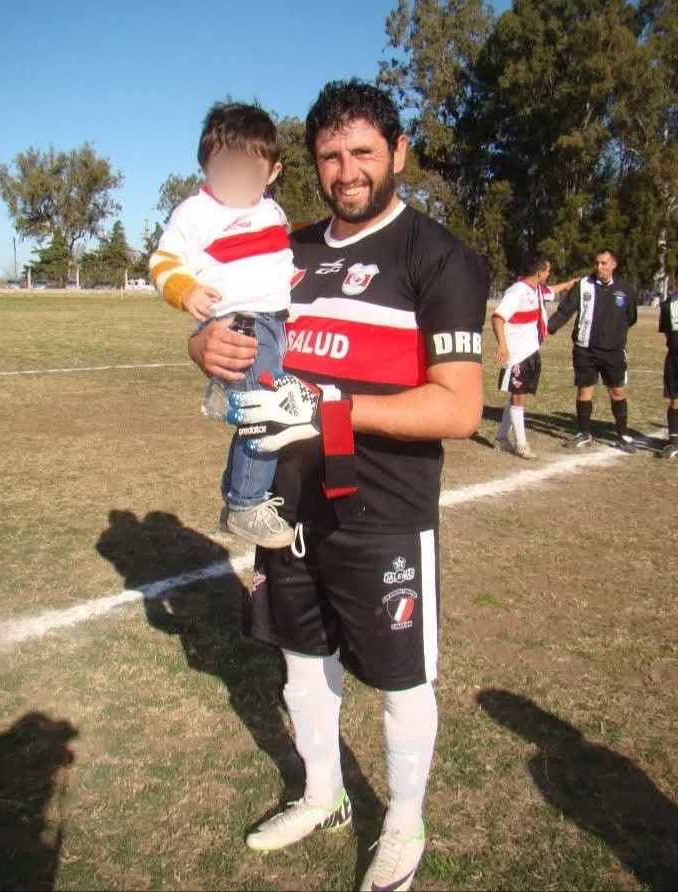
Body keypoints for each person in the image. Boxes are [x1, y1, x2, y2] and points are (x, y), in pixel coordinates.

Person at [188, 79, 489, 892]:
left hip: (382, 507)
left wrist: (331, 413)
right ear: (311, 164)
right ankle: (323, 795)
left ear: (399, 153)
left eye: (363, 152)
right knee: (301, 656)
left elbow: (460, 407)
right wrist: (203, 345)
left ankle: (403, 824)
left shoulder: (439, 257)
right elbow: (227, 326)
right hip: (286, 500)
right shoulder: (284, 248)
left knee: (399, 677)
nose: (347, 171)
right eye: (330, 155)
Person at [149, 102, 295, 549]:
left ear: (271, 172)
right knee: (264, 410)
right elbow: (163, 260)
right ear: (206, 167)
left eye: (246, 169)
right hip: (242, 323)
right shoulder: (195, 211)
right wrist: (184, 290)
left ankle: (236, 488)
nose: (233, 179)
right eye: (222, 168)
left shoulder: (273, 212)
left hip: (278, 325)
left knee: (264, 409)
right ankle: (246, 504)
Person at [547, 249, 638, 452]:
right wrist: (548, 327)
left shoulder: (626, 289)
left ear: (614, 265)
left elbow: (631, 317)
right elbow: (565, 310)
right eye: (597, 263)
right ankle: (584, 433)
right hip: (585, 350)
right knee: (584, 390)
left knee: (617, 391)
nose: (599, 267)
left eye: (604, 263)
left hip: (613, 352)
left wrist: (614, 334)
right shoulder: (583, 285)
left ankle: (622, 435)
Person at [492, 253, 576, 459]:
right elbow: (497, 318)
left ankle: (501, 438)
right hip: (517, 355)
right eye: (548, 271)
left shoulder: (537, 289)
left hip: (530, 352)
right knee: (518, 398)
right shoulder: (518, 291)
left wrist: (568, 285)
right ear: (539, 272)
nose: (549, 274)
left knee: (517, 396)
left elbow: (551, 291)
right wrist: (502, 345)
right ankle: (521, 444)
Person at [659, 275, 678, 459]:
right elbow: (667, 333)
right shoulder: (667, 305)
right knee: (675, 400)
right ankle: (674, 443)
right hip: (674, 358)